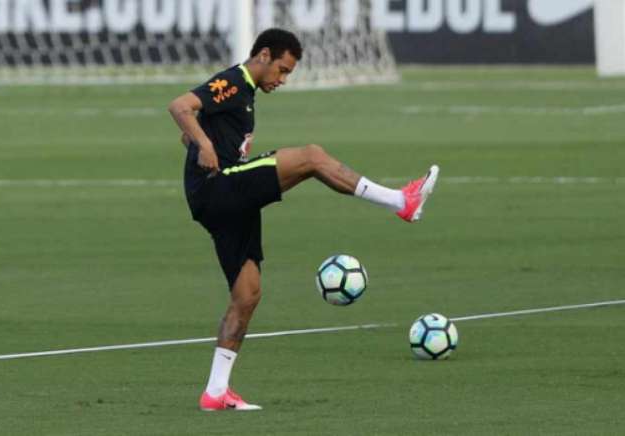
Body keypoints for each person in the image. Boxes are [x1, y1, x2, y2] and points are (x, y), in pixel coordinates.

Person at [168, 28, 439, 412]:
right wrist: (205, 144)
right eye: (281, 69)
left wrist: (199, 140)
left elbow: (192, 132)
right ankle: (401, 201)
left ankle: (216, 391)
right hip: (219, 188)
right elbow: (180, 107)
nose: (282, 80)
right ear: (263, 55)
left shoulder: (245, 95)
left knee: (247, 295)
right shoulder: (233, 81)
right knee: (311, 157)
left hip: (224, 201)